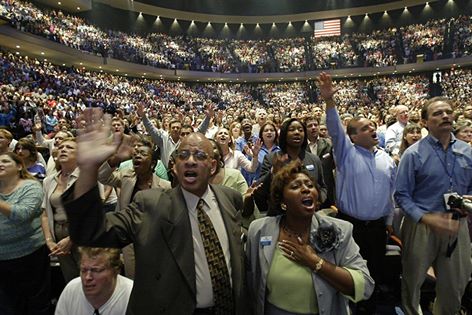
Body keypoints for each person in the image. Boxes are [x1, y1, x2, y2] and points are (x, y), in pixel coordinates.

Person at [62, 108, 247, 314]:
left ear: (212, 166)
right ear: (175, 167)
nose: (191, 160)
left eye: (200, 155)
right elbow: (92, 232)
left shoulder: (230, 198)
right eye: (183, 155)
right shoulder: (149, 204)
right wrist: (89, 168)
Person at [246, 161, 374, 315]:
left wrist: (315, 262)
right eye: (295, 186)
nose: (306, 189)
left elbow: (365, 286)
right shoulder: (259, 230)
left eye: (310, 185)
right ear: (282, 202)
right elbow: (251, 283)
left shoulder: (340, 230)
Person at [319, 72, 397, 315]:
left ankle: (370, 308)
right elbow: (335, 129)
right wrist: (330, 101)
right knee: (350, 274)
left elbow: (391, 193)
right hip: (351, 226)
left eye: (373, 126)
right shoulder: (346, 154)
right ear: (353, 137)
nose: (372, 129)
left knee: (374, 271)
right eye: (365, 128)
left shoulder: (386, 158)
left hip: (377, 228)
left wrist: (389, 221)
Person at [395, 97, 472, 315]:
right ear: (424, 122)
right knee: (413, 283)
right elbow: (401, 195)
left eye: (448, 112)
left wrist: (467, 202)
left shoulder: (467, 151)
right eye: (438, 113)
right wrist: (426, 218)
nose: (445, 116)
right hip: (422, 225)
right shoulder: (413, 154)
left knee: (455, 285)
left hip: (457, 225)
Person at [98, 135, 171, 278]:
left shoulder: (165, 187)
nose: (137, 156)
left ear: (153, 163)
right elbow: (102, 177)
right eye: (135, 154)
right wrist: (116, 159)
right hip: (129, 241)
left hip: (154, 241)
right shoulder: (126, 177)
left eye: (143, 154)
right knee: (133, 278)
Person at [0, 152, 50, 315]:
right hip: (3, 257)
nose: (0, 164)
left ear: (19, 166)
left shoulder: (31, 186)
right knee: (8, 304)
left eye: (5, 161)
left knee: (35, 301)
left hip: (30, 253)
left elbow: (22, 215)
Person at [254, 118, 327, 215]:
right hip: (280, 215)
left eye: (300, 130)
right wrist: (273, 171)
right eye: (292, 129)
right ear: (284, 134)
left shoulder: (314, 159)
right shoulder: (272, 158)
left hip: (310, 213)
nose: (297, 132)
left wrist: (316, 199)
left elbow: (322, 187)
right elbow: (260, 192)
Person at [41, 137, 81, 282]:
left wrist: (71, 239)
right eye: (61, 147)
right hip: (58, 232)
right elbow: (45, 213)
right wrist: (49, 240)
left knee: (89, 276)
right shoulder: (48, 181)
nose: (63, 149)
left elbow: (93, 213)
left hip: (83, 233)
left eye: (69, 147)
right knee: (70, 278)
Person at [55, 247, 133, 315]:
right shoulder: (71, 290)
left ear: (115, 271)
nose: (87, 277)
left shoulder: (132, 295)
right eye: (83, 270)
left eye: (96, 270)